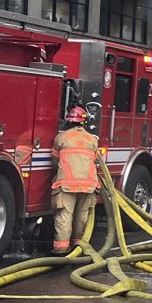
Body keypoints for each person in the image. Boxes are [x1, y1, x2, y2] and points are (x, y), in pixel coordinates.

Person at [51, 106, 102, 255]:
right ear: (84, 122)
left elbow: (55, 160)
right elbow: (95, 161)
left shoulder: (61, 138)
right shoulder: (92, 140)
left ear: (69, 121)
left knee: (65, 216)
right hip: (88, 185)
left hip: (67, 184)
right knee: (82, 215)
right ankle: (79, 246)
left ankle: (61, 249)